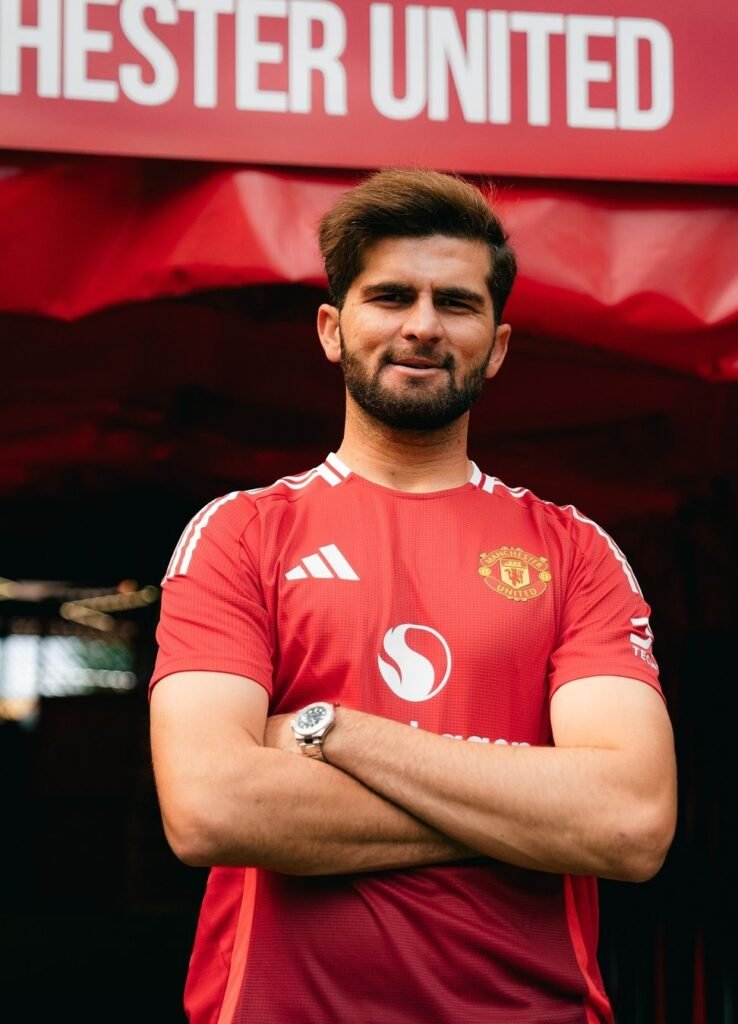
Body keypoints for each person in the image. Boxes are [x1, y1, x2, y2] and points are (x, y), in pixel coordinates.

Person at [149, 168, 677, 1024]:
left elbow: (629, 824)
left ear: (497, 346)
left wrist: (332, 733)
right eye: (391, 296)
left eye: (457, 304)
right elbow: (211, 808)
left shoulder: (576, 552)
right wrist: (525, 814)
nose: (423, 327)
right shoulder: (240, 534)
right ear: (332, 329)